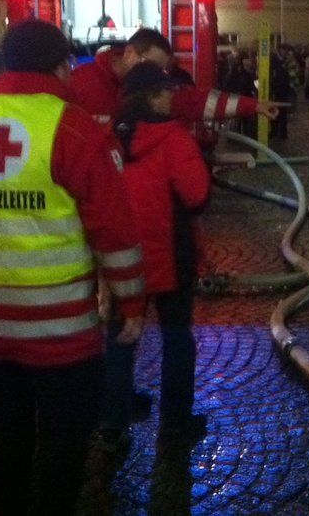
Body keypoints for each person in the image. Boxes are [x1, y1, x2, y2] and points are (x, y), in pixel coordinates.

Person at [0, 20, 146, 516]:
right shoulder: (75, 130)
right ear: (63, 66)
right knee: (65, 440)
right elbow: (115, 233)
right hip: (62, 332)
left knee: (8, 431)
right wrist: (131, 303)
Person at [98, 63, 211, 453]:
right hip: (171, 256)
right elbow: (197, 197)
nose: (171, 97)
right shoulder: (174, 138)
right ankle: (176, 423)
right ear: (150, 96)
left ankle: (112, 423)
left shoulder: (107, 140)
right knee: (177, 338)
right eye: (164, 91)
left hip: (120, 257)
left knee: (120, 337)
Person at [70, 27, 279, 127]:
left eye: (161, 70)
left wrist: (254, 105)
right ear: (129, 52)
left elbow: (195, 101)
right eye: (150, 64)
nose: (155, 75)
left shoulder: (154, 91)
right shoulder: (83, 83)